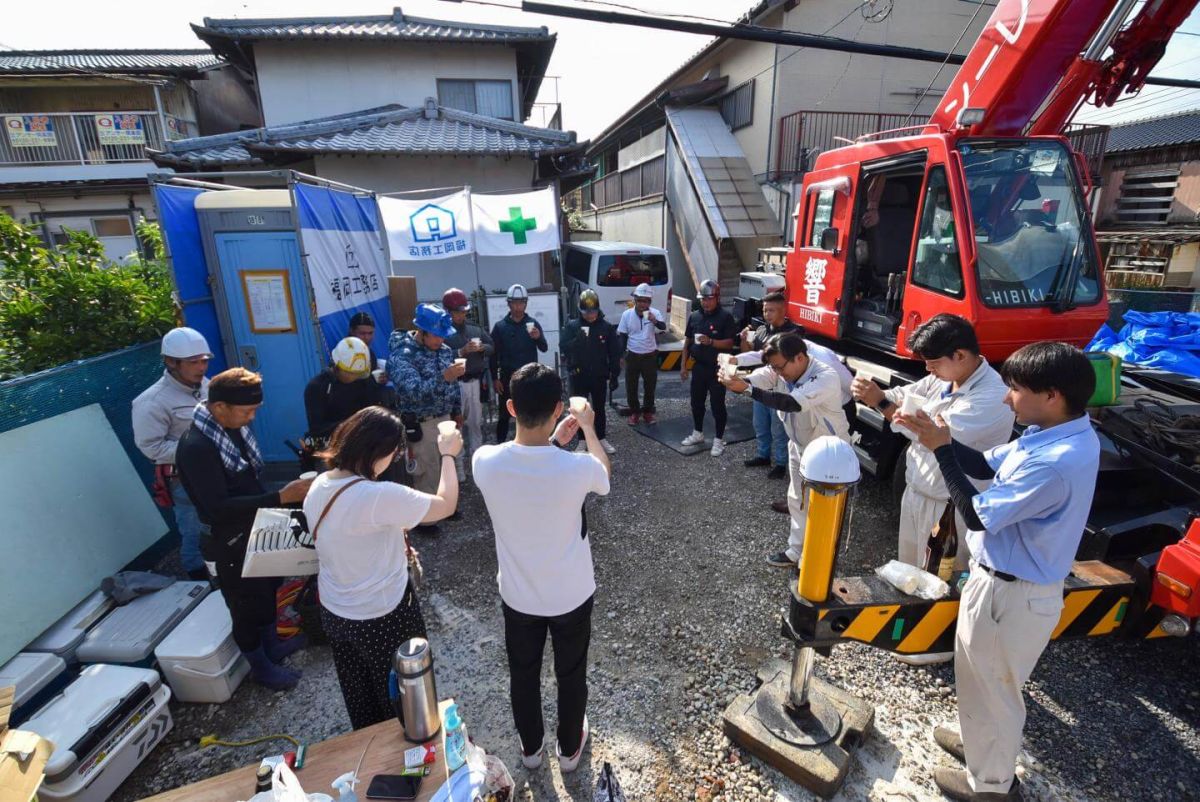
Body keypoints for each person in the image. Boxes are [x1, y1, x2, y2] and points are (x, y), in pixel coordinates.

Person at [895, 342, 1099, 802]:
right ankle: (977, 747)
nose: (1007, 399)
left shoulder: (1056, 462)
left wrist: (941, 452)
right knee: (979, 679)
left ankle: (991, 788)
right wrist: (942, 439)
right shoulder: (1053, 432)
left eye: (1016, 390)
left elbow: (978, 514)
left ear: (1052, 394)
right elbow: (985, 463)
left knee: (998, 694)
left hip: (1014, 594)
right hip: (1000, 583)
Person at [472, 363, 611, 774]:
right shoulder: (578, 467)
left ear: (511, 407)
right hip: (571, 592)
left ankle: (531, 749)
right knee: (571, 672)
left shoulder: (484, 462)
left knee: (523, 673)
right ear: (558, 408)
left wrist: (551, 440)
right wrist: (586, 429)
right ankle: (569, 750)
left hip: (518, 595)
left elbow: (527, 462)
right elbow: (604, 474)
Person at [303, 406, 460, 730]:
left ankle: (370, 756)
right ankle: (410, 761)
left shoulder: (319, 485)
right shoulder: (378, 496)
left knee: (360, 698)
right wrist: (447, 454)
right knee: (405, 700)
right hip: (383, 614)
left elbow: (352, 537)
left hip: (336, 612)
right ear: (380, 452)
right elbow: (446, 505)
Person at [175, 368, 312, 690]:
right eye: (246, 411)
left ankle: (273, 645)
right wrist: (280, 497)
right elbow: (217, 507)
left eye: (254, 410)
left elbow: (247, 482)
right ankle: (260, 668)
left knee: (266, 590)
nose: (251, 418)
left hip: (254, 527)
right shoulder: (197, 447)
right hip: (226, 540)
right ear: (219, 406)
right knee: (243, 606)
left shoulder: (229, 430)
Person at [853, 314, 1013, 570]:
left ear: (960, 355)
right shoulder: (943, 378)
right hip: (917, 491)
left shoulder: (992, 396)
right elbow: (906, 395)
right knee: (909, 571)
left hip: (950, 506)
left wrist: (881, 402)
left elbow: (929, 433)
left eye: (933, 363)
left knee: (940, 580)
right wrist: (877, 392)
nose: (928, 369)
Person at [720, 333, 850, 568]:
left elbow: (792, 403)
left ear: (799, 357)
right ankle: (795, 551)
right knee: (797, 499)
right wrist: (738, 379)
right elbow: (764, 377)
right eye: (775, 367)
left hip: (828, 452)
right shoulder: (783, 368)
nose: (778, 373)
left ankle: (817, 561)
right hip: (799, 444)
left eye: (780, 367)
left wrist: (747, 390)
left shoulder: (825, 375)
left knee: (822, 507)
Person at [132, 327, 212, 580]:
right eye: (193, 362)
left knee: (219, 524)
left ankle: (222, 574)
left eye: (204, 361)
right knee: (194, 530)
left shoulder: (206, 386)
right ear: (170, 362)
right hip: (183, 478)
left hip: (214, 470)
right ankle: (198, 582)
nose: (201, 367)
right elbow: (151, 447)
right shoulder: (152, 401)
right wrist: (198, 450)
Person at [388, 304, 464, 500]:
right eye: (436, 335)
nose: (441, 339)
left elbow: (453, 384)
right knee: (427, 470)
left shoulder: (444, 350)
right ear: (422, 332)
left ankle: (447, 504)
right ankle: (428, 518)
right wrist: (443, 377)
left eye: (443, 335)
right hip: (423, 422)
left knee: (448, 463)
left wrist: (457, 410)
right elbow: (413, 392)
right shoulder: (402, 355)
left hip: (446, 418)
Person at [739, 291, 801, 479]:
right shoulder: (761, 330)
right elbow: (752, 355)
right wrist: (743, 340)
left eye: (772, 310)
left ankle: (781, 463)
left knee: (778, 427)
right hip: (761, 385)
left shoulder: (794, 333)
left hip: (781, 387)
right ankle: (763, 455)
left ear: (783, 310)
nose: (767, 314)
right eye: (765, 310)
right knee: (760, 424)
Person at [442, 288, 494, 481]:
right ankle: (458, 466)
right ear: (447, 311)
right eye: (457, 312)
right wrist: (460, 352)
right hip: (454, 385)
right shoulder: (442, 332)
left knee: (475, 424)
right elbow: (439, 356)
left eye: (463, 311)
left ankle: (477, 463)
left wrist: (482, 348)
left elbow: (492, 346)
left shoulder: (475, 329)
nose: (461, 315)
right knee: (456, 426)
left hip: (475, 380)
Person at [681, 280, 738, 456]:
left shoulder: (725, 317)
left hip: (717, 368)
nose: (705, 302)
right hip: (698, 367)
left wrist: (712, 341)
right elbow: (687, 342)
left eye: (709, 298)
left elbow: (730, 343)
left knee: (717, 405)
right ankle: (698, 432)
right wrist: (683, 366)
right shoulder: (695, 316)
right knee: (696, 402)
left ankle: (719, 440)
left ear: (717, 298)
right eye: (703, 299)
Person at [561, 289, 621, 454]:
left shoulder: (606, 327)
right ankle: (581, 440)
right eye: (586, 312)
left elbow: (614, 352)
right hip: (578, 374)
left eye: (593, 311)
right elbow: (563, 347)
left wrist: (614, 374)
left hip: (599, 375)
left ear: (598, 309)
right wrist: (576, 341)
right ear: (580, 311)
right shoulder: (572, 326)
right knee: (580, 409)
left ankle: (601, 437)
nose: (590, 315)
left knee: (599, 408)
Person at [303, 337, 392, 443]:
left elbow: (375, 409)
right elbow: (317, 428)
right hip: (332, 444)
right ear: (337, 366)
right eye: (350, 373)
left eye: (358, 374)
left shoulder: (364, 380)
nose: (355, 377)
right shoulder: (318, 387)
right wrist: (352, 424)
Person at [490, 284, 547, 443]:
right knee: (504, 415)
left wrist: (538, 338)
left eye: (521, 302)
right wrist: (495, 378)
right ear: (508, 304)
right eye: (514, 303)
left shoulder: (532, 323)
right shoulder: (500, 327)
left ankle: (532, 443)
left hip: (530, 377)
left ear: (526, 303)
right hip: (508, 377)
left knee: (530, 412)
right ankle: (500, 445)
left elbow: (544, 347)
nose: (518, 306)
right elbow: (493, 355)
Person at [616, 283, 665, 425]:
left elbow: (663, 327)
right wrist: (621, 355)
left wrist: (654, 321)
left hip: (649, 354)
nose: (642, 304)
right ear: (635, 301)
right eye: (639, 300)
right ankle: (635, 412)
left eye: (645, 301)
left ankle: (648, 412)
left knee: (650, 385)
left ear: (650, 302)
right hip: (632, 354)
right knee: (631, 386)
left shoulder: (654, 313)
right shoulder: (627, 315)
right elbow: (623, 336)